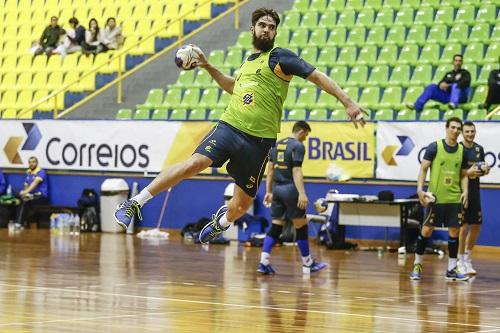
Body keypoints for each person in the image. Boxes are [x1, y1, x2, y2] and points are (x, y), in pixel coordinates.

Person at [114, 8, 366, 243]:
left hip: (259, 143)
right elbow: (234, 87)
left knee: (242, 206)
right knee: (193, 163)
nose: (266, 29)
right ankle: (134, 203)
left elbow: (317, 76)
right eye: (262, 25)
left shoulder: (280, 57)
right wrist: (207, 66)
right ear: (252, 29)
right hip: (230, 127)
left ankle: (221, 222)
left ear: (275, 33)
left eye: (271, 27)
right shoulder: (248, 62)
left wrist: (348, 102)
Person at [410, 117, 476, 281]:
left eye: (458, 128)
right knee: (426, 230)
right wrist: (420, 190)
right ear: (446, 128)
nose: (455, 131)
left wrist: (465, 191)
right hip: (436, 198)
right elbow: (423, 169)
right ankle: (417, 264)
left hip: (454, 198)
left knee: (454, 231)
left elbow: (463, 175)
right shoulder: (435, 147)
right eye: (452, 127)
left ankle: (452, 268)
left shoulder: (462, 151)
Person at [257, 121, 326, 275]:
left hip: (276, 189)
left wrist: (268, 191)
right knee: (301, 226)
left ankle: (263, 262)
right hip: (290, 190)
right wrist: (302, 193)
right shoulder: (298, 146)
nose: (306, 138)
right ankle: (308, 263)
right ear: (301, 131)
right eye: (306, 135)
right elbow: (296, 171)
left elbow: (269, 171)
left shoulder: (276, 145)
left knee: (276, 226)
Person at [458, 121, 489, 275]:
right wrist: (467, 173)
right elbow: (454, 172)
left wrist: (485, 170)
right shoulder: (458, 149)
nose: (470, 134)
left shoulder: (479, 149)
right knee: (463, 227)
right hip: (461, 191)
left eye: (472, 131)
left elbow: (480, 169)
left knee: (476, 226)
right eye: (467, 131)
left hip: (475, 191)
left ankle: (468, 259)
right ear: (462, 133)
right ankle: (459, 260)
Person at [15, 156, 49, 228]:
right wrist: (25, 194)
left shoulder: (41, 172)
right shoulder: (29, 173)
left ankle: (19, 223)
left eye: (33, 162)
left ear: (37, 163)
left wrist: (25, 192)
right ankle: (19, 223)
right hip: (32, 196)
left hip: (41, 196)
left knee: (26, 200)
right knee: (22, 199)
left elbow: (34, 184)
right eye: (30, 162)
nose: (31, 164)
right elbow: (26, 186)